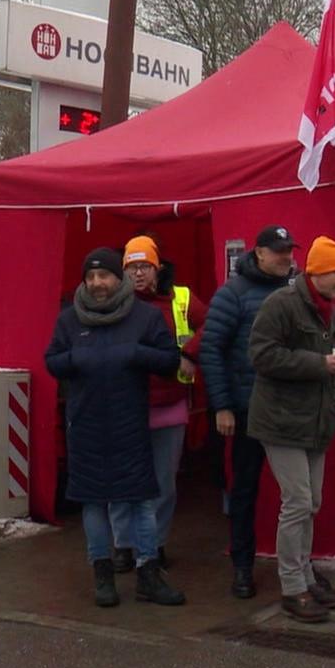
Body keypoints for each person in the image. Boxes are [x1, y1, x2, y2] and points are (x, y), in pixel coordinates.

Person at [44, 248, 185, 609]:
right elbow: (52, 361)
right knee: (94, 503)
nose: (97, 283)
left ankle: (148, 573)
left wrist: (136, 354)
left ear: (117, 278)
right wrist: (76, 358)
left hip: (130, 424)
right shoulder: (69, 319)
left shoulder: (144, 316)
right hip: (86, 426)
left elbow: (170, 359)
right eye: (90, 277)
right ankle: (102, 573)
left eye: (103, 275)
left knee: (141, 501)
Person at [250, 236, 335, 623]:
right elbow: (261, 355)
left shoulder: (329, 310)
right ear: (318, 272)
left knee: (311, 502)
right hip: (280, 421)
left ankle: (307, 579)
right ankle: (293, 587)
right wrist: (319, 365)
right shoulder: (281, 304)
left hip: (315, 420)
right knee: (297, 502)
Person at [198, 225, 296, 598]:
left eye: (289, 250)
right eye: (279, 251)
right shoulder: (233, 294)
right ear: (259, 253)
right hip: (247, 410)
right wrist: (222, 405)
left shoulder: (295, 290)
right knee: (244, 490)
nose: (286, 257)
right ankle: (242, 566)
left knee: (298, 494)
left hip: (288, 409)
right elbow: (211, 349)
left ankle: (299, 568)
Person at [112, 235, 204, 573]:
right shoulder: (113, 301)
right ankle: (123, 545)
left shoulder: (182, 298)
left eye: (145, 266)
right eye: (131, 267)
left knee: (163, 483)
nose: (138, 274)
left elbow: (212, 324)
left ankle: (155, 544)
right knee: (124, 480)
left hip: (169, 404)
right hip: (125, 406)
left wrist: (190, 355)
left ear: (158, 268)